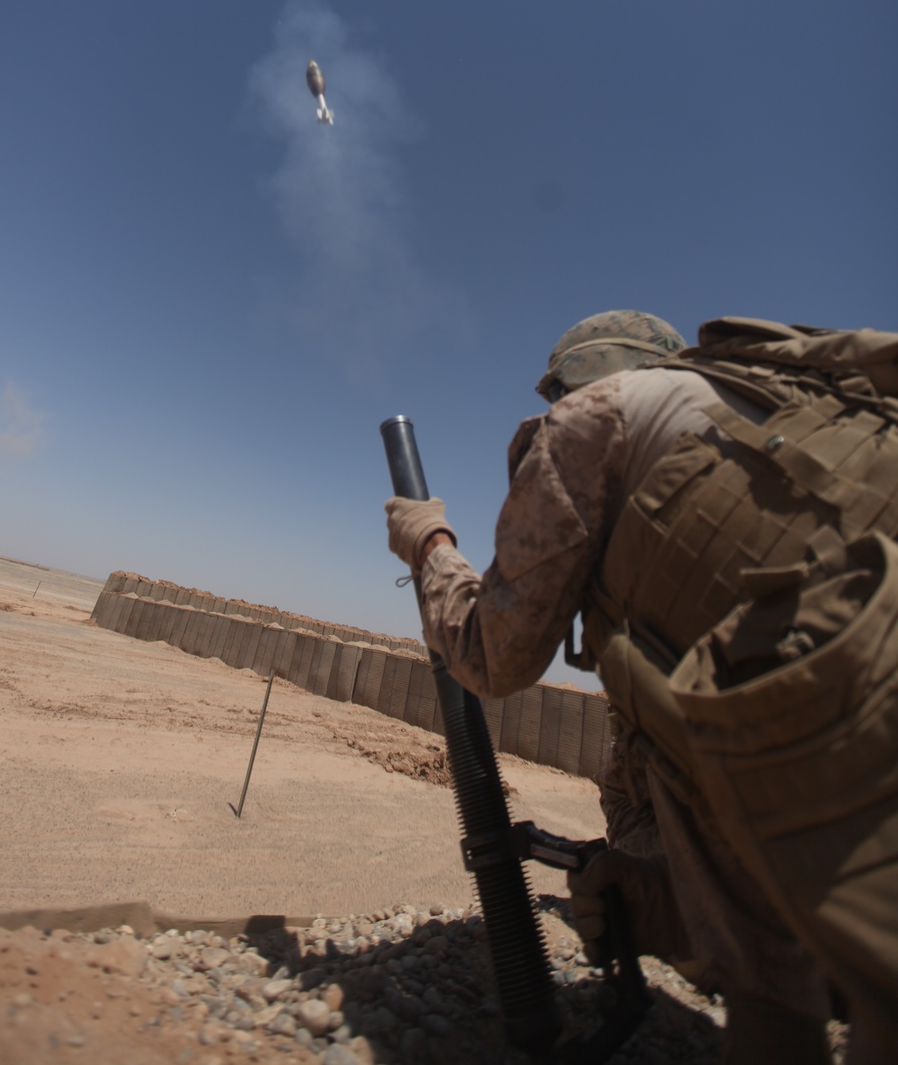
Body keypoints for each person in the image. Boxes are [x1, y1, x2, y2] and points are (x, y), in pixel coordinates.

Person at [385, 312, 898, 1065]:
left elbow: (492, 655)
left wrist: (429, 542)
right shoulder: (785, 406)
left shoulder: (592, 416)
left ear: (571, 380)